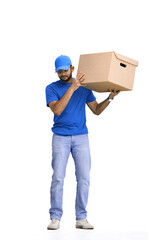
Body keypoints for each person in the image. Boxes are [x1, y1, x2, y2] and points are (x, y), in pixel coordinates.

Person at [45, 55, 120, 230]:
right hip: (60, 137)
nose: (63, 74)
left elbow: (96, 111)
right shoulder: (51, 88)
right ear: (56, 72)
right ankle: (55, 217)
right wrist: (72, 87)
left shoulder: (84, 89)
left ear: (72, 68)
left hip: (81, 138)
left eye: (65, 70)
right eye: (60, 71)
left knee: (84, 178)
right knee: (57, 177)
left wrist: (110, 98)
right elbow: (57, 110)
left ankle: (81, 218)